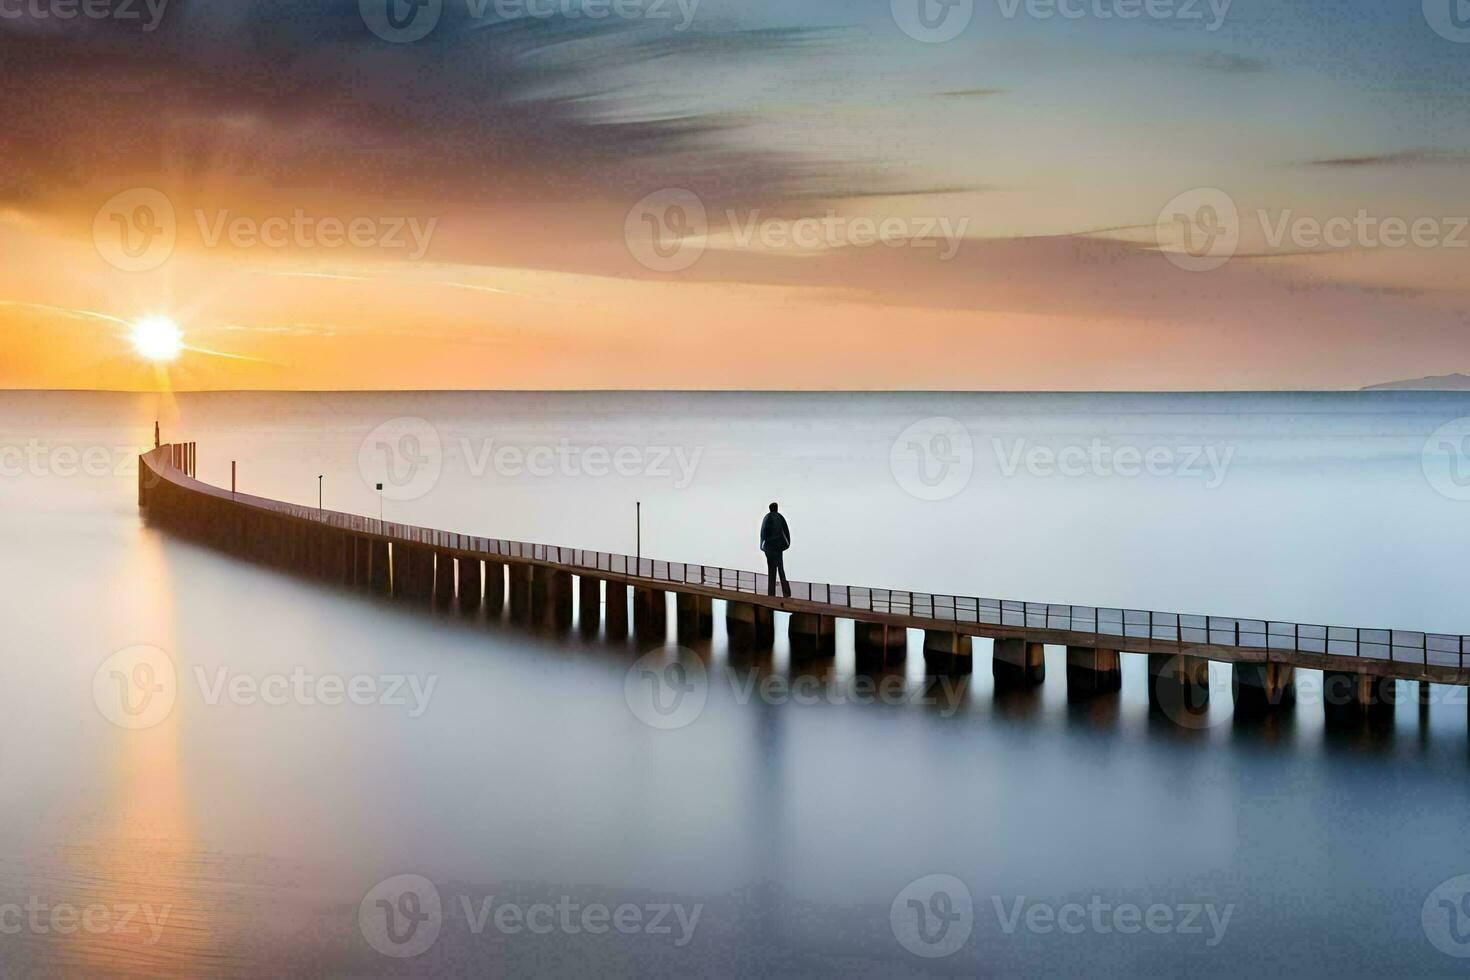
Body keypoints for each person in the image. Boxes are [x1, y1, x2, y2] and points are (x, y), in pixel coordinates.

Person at [760, 502, 791, 597]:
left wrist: (762, 545)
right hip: (778, 547)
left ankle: (771, 593)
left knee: (772, 571)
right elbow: (786, 532)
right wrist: (786, 544)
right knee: (781, 569)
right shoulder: (780, 517)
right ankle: (786, 593)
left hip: (770, 547)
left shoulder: (767, 517)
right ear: (776, 508)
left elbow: (763, 533)